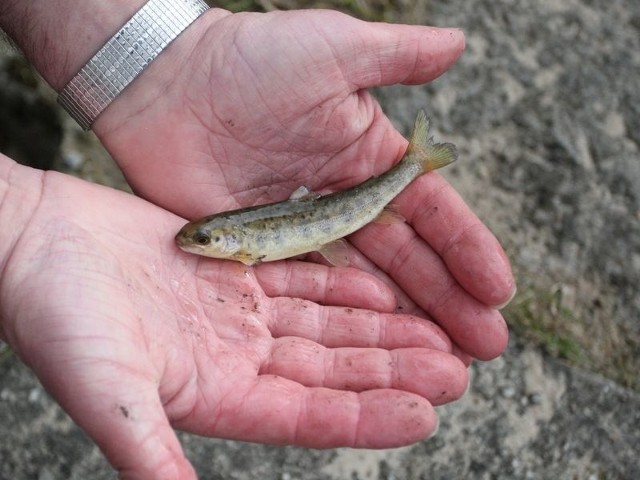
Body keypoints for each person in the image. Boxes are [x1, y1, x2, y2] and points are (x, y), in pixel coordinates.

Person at [0, 2, 515, 479]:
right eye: (201, 239)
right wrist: (17, 228)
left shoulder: (241, 241)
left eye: (203, 239)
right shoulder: (234, 240)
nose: (195, 243)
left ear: (227, 237)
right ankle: (415, 163)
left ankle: (414, 163)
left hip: (349, 209)